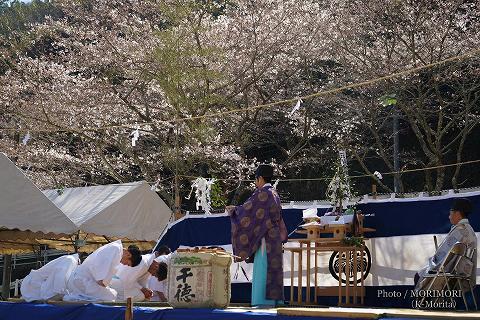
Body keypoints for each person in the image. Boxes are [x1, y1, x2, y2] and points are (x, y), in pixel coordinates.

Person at [227, 164, 287, 307]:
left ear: (260, 178)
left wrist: (234, 210)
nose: (255, 183)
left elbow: (247, 211)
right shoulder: (274, 193)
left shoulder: (263, 193)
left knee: (263, 268)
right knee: (273, 268)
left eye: (256, 179)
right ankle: (275, 301)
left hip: (266, 238)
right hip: (275, 237)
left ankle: (264, 302)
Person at [415, 198, 477, 292]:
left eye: (450, 213)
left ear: (457, 213)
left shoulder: (460, 231)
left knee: (418, 275)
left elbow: (442, 257)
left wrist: (433, 259)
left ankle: (427, 303)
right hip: (463, 271)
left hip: (450, 271)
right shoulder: (470, 230)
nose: (449, 217)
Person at [63, 240, 142, 302]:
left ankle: (76, 296)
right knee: (111, 295)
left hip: (86, 279)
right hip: (83, 280)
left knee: (112, 294)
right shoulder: (115, 249)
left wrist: (105, 283)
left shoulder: (116, 250)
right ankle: (73, 297)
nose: (124, 264)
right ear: (128, 255)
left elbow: (103, 276)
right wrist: (103, 282)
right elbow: (100, 275)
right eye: (127, 263)